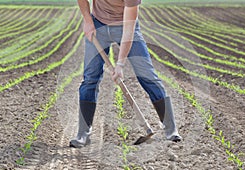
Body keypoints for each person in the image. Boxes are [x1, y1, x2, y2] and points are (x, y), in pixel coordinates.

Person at [70, 0, 182, 148]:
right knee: (90, 78)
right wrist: (87, 20)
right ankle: (83, 133)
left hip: (125, 25)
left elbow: (128, 30)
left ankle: (170, 128)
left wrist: (120, 64)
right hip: (98, 24)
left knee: (147, 75)